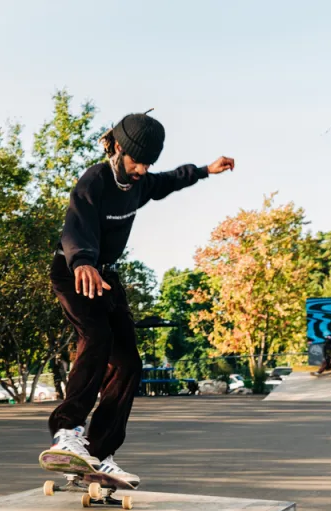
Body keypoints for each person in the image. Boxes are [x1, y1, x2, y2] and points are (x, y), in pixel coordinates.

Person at [46, 110, 234, 485]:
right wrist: (83, 261)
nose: (142, 170)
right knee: (96, 338)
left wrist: (204, 170)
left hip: (106, 277)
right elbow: (75, 223)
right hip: (73, 273)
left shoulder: (141, 183)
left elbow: (168, 181)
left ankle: (97, 454)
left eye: (148, 163)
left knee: (129, 364)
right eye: (137, 161)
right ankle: (67, 432)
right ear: (117, 148)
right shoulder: (95, 179)